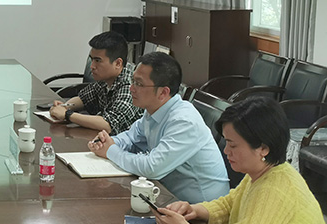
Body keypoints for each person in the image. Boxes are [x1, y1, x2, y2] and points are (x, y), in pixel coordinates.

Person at [153, 97, 327, 224]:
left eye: (233, 145)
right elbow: (231, 204)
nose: (226, 151)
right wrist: (195, 210)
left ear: (263, 148)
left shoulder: (276, 189)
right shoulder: (262, 173)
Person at [88, 52, 229, 203]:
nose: (131, 88)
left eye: (139, 84)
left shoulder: (184, 121)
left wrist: (110, 151)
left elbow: (152, 168)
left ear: (163, 92)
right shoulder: (154, 109)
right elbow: (131, 137)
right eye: (132, 81)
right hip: (168, 197)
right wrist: (107, 142)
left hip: (202, 208)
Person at [49, 31, 141, 134]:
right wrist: (65, 106)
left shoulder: (130, 86)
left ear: (118, 63)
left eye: (98, 61)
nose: (92, 66)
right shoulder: (106, 78)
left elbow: (108, 125)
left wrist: (67, 114)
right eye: (92, 59)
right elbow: (84, 98)